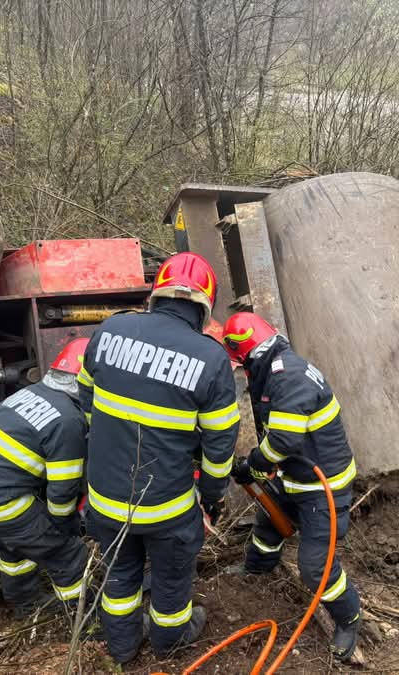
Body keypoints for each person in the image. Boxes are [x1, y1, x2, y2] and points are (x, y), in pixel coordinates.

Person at [77, 252, 239, 665]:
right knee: (170, 580)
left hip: (105, 501)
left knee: (119, 576)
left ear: (157, 293)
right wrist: (212, 496)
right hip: (167, 507)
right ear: (205, 305)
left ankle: (122, 649)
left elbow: (86, 397)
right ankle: (170, 643)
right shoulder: (211, 359)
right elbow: (220, 445)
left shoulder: (110, 330)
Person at [223, 312, 362, 662]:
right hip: (296, 477)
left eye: (240, 363)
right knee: (269, 522)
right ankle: (259, 566)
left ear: (247, 355)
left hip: (323, 487)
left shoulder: (288, 376)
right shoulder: (275, 369)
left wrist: (255, 463)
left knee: (315, 567)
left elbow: (283, 440)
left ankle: (348, 618)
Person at [0, 338, 90, 617]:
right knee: (67, 553)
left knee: (16, 546)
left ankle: (25, 604)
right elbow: (62, 492)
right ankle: (83, 616)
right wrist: (64, 528)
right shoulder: (68, 420)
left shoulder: (28, 393)